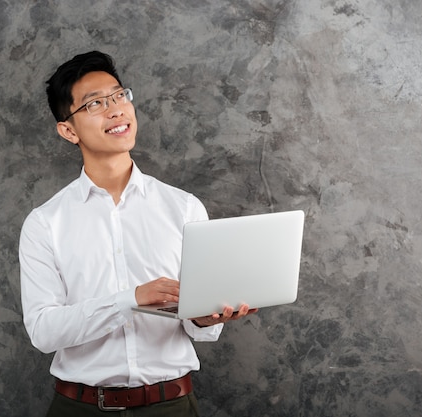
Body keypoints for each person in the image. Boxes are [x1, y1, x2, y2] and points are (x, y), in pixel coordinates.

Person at [19, 51, 257, 416]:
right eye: (95, 104)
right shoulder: (45, 222)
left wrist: (205, 318)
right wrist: (130, 299)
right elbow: (44, 331)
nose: (116, 110)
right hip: (80, 408)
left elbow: (200, 327)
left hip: (172, 406)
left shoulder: (185, 208)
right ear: (68, 130)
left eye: (118, 96)